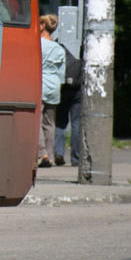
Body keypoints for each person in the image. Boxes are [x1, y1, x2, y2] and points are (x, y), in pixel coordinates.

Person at [39, 14, 66, 169]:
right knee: (49, 123)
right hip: (54, 86)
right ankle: (49, 156)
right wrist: (57, 88)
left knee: (36, 121)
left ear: (43, 26)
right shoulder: (59, 49)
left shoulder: (37, 44)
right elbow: (62, 75)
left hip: (40, 83)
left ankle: (41, 153)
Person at [54, 36, 82, 166]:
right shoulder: (82, 46)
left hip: (63, 89)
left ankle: (58, 152)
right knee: (76, 123)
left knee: (60, 122)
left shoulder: (59, 47)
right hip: (78, 90)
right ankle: (75, 158)